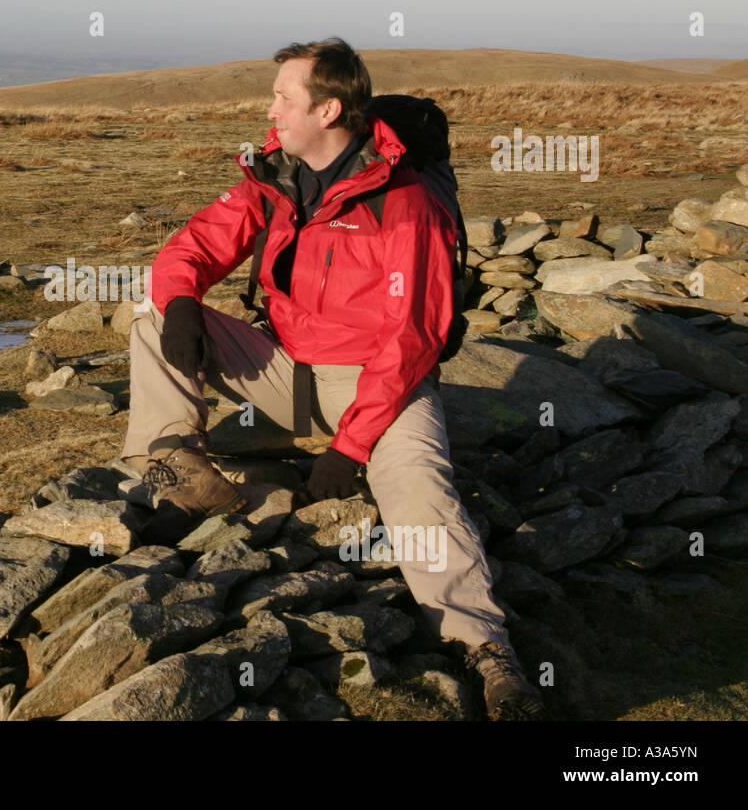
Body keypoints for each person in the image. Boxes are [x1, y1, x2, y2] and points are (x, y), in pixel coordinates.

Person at [119, 37, 545, 720]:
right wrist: (178, 306)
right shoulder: (277, 176)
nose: (272, 109)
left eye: (285, 97)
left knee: (423, 498)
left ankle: (487, 653)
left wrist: (350, 449)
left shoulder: (405, 201)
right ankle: (176, 461)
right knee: (150, 318)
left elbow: (414, 339)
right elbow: (196, 242)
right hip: (287, 371)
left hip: (380, 387)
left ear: (330, 108)